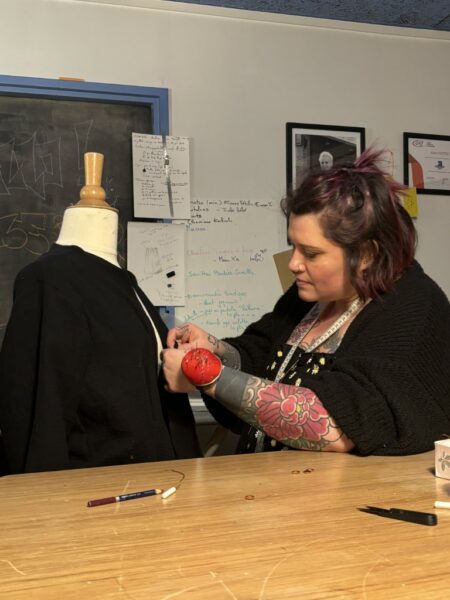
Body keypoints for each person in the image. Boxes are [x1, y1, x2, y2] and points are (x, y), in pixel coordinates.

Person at [162, 147, 450, 456]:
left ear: (367, 255)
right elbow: (261, 360)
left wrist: (206, 374)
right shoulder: (313, 294)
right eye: (294, 247)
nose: (294, 264)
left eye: (311, 253)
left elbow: (333, 425)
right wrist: (215, 350)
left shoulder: (413, 308)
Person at [0, 153, 201, 474]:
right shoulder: (48, 280)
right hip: (98, 487)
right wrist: (42, 498)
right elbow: (37, 410)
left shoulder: (126, 282)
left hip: (160, 479)